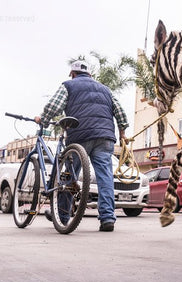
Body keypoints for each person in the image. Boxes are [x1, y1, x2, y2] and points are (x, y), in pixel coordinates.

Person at [35, 60, 129, 232]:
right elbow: (120, 111)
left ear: (73, 74)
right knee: (105, 177)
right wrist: (122, 132)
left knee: (69, 175)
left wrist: (44, 119)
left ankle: (62, 216)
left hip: (80, 135)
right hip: (105, 137)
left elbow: (54, 106)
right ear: (90, 75)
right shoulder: (105, 89)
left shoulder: (69, 85)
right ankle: (107, 218)